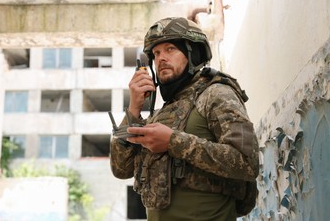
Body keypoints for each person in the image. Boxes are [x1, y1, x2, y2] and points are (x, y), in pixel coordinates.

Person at [110, 17, 259, 221]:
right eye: (156, 53)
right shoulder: (163, 112)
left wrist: (172, 142)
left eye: (170, 49)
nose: (161, 58)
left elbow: (247, 163)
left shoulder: (216, 93)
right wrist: (134, 107)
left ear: (193, 54)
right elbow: (120, 169)